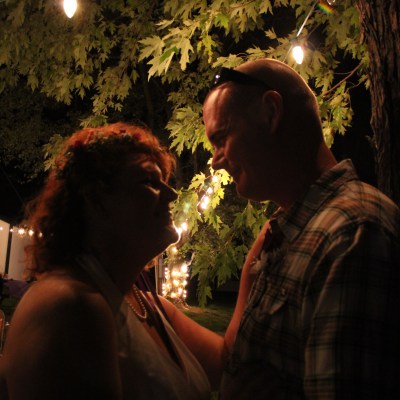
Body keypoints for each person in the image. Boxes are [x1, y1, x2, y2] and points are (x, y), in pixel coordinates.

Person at [163, 59, 400, 399]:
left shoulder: (353, 235)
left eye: (221, 137)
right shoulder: (288, 233)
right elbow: (237, 362)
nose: (215, 160)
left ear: (271, 113)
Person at [0, 122, 213, 399]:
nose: (172, 194)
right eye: (149, 182)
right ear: (96, 200)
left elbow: (236, 362)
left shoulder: (151, 307)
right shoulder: (69, 306)